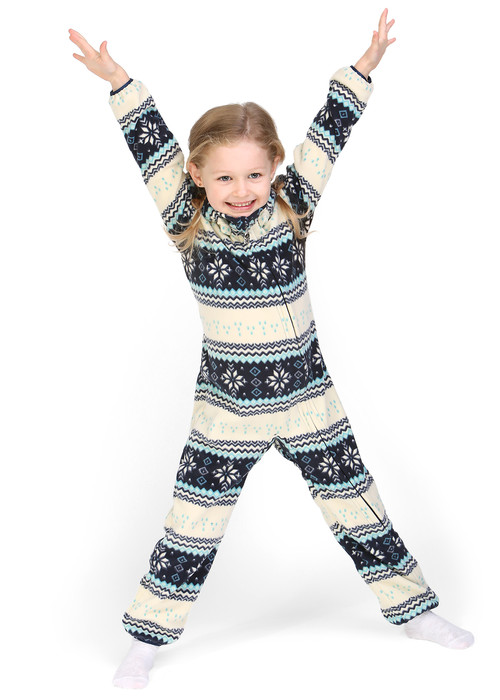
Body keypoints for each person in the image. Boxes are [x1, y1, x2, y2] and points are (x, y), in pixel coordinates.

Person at [69, 9, 474, 690]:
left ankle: (414, 612)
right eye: (225, 178)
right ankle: (145, 640)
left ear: (274, 170)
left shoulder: (293, 207)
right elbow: (151, 146)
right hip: (226, 408)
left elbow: (329, 134)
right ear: (197, 175)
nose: (241, 191)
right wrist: (119, 82)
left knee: (357, 503)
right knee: (190, 524)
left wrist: (364, 68)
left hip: (308, 398)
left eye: (254, 175)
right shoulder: (185, 218)